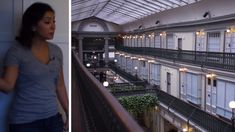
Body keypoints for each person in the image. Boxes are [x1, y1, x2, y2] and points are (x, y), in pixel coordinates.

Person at [0, 2, 68, 132]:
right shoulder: (16, 52)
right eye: (47, 22)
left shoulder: (56, 51)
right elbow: (8, 86)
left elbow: (60, 85)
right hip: (24, 122)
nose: (53, 26)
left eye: (54, 21)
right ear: (33, 26)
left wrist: (69, 112)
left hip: (53, 119)